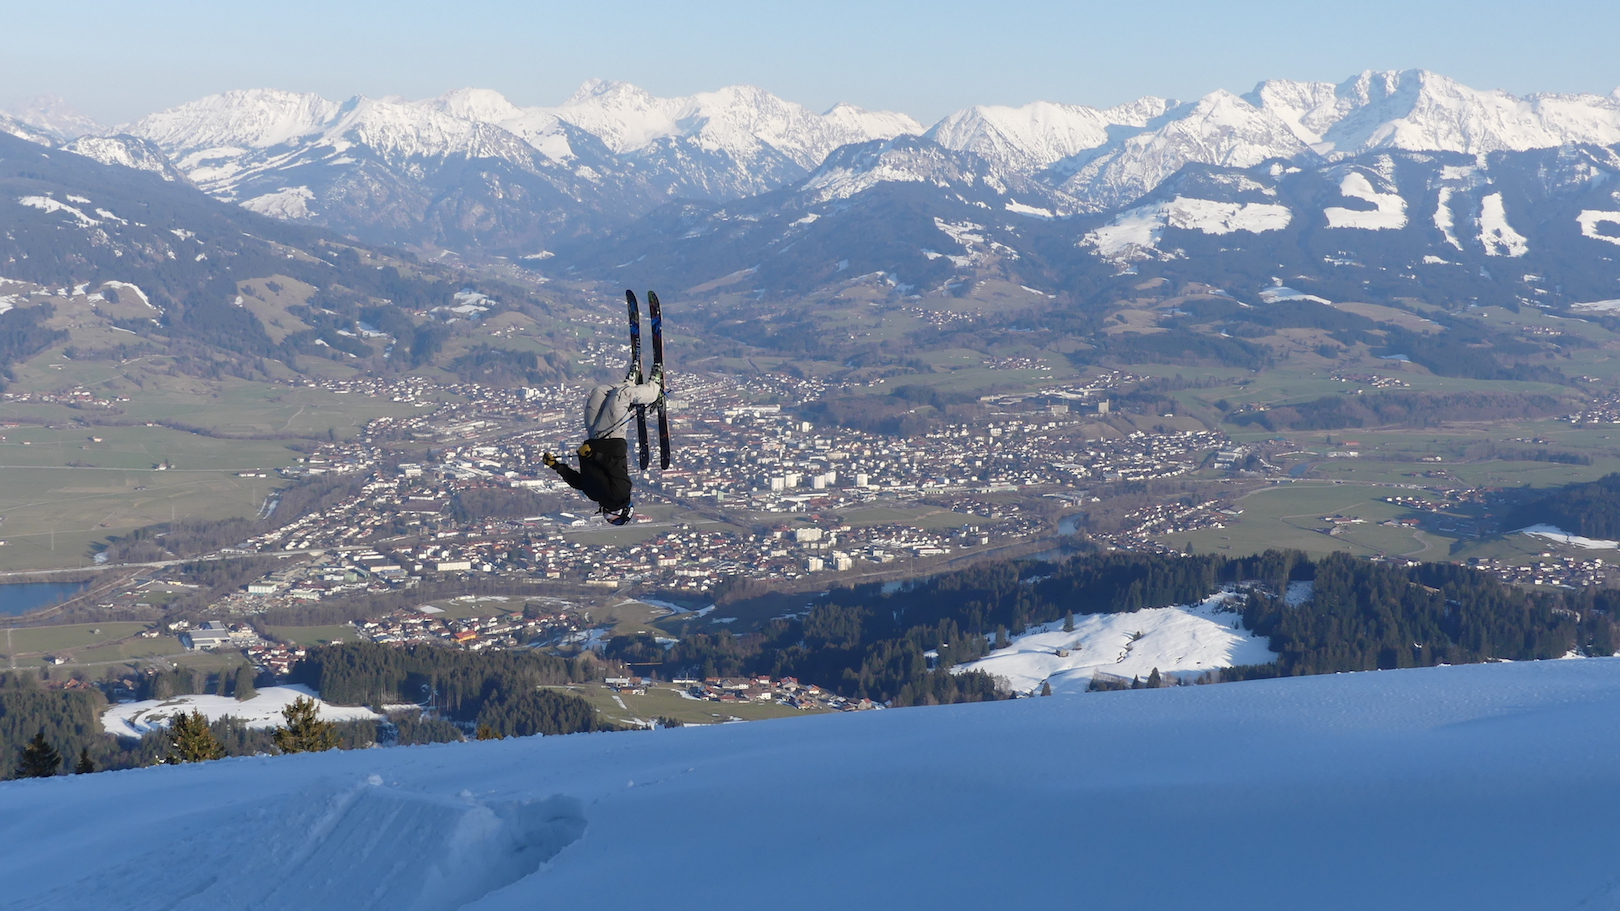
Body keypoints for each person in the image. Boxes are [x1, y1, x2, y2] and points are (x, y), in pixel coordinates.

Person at [543, 367, 663, 525]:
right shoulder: (620, 493)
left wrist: (556, 466)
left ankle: (629, 384)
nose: (609, 519)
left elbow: (578, 482)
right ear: (623, 512)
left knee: (598, 393)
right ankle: (655, 390)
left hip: (594, 438)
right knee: (622, 396)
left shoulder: (595, 496)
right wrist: (593, 456)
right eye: (614, 520)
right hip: (611, 439)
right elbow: (614, 465)